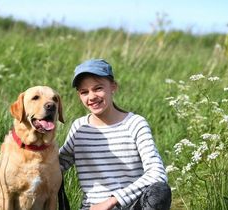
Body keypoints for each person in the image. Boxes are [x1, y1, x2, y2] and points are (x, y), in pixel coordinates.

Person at [59, 59, 172, 210]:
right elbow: (56, 166)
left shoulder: (135, 124)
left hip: (132, 206)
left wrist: (113, 200)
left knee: (160, 191)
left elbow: (158, 174)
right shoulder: (79, 127)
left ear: (113, 86)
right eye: (84, 92)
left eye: (98, 88)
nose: (91, 97)